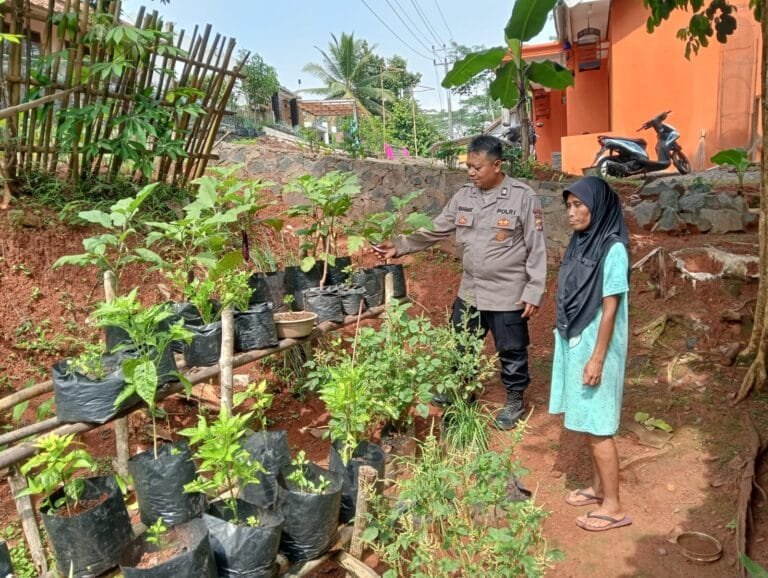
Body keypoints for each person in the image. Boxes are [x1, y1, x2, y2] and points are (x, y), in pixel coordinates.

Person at [374, 135, 547, 430]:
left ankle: (515, 400)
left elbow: (536, 247)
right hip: (470, 289)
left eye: (477, 167)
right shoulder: (464, 196)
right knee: (461, 345)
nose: (470, 172)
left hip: (508, 292)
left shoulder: (522, 197)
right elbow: (436, 229)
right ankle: (462, 390)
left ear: (497, 165)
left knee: (511, 349)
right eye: (468, 166)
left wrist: (534, 290)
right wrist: (399, 245)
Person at [549, 176, 632, 532]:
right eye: (568, 206)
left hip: (598, 346)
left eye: (579, 205)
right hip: (577, 340)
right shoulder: (582, 241)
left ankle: (613, 506)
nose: (572, 212)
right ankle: (599, 488)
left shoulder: (612, 249)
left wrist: (597, 357)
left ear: (598, 207)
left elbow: (610, 308)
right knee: (586, 420)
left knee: (599, 427)